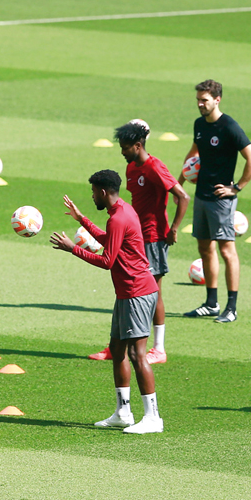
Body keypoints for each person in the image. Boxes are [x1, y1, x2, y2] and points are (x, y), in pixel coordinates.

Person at [50, 170, 163, 434]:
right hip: (128, 292)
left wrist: (73, 249)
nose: (91, 196)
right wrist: (83, 220)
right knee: (117, 350)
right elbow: (111, 241)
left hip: (137, 292)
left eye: (92, 192)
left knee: (137, 353)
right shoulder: (122, 212)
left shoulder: (119, 217)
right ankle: (123, 412)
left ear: (102, 192)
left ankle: (153, 418)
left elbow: (107, 261)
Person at [89, 120, 189, 364]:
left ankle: (159, 348)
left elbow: (183, 196)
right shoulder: (132, 168)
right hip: (134, 238)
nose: (122, 152)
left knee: (153, 291)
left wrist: (174, 228)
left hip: (153, 237)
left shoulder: (154, 167)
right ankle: (117, 343)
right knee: (125, 286)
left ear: (137, 145)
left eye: (125, 147)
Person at [177, 80, 251, 323]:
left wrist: (236, 188)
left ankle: (231, 307)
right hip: (201, 196)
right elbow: (194, 153)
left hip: (220, 201)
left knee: (227, 250)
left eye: (204, 100)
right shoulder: (199, 124)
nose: (200, 104)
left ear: (217, 99)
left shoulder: (229, 127)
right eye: (198, 100)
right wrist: (179, 185)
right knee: (204, 248)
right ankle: (211, 303)